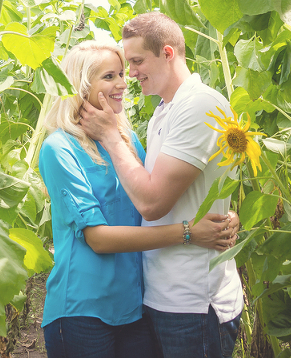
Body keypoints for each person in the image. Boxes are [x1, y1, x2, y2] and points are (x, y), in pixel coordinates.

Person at [39, 40, 238, 358]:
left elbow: (157, 199)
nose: (122, 83)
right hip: (82, 310)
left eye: (121, 74)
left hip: (134, 306)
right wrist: (189, 232)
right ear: (81, 87)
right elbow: (98, 239)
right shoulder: (59, 148)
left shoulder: (127, 140)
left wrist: (224, 216)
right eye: (109, 77)